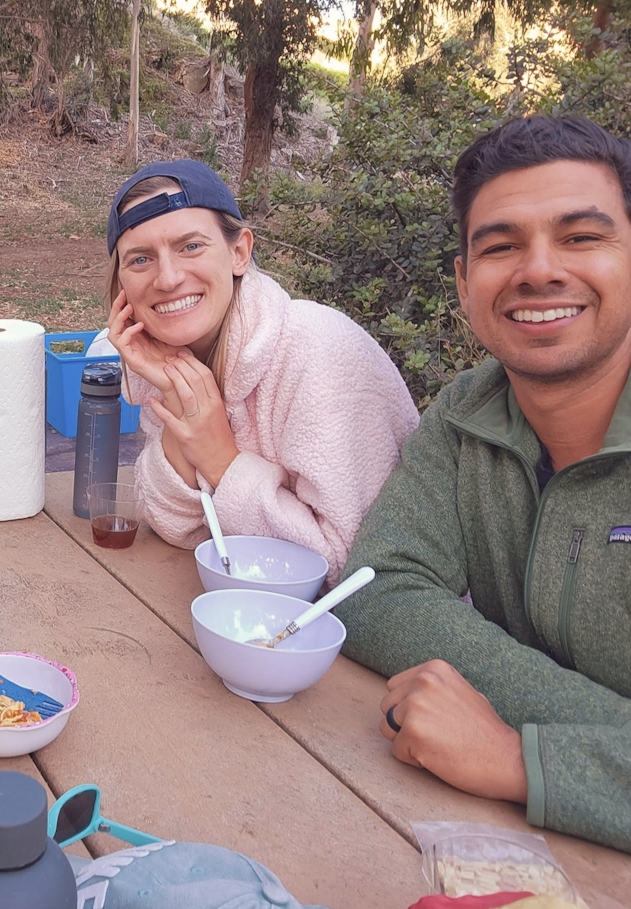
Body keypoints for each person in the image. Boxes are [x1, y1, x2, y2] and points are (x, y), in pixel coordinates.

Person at [337, 114, 631, 854]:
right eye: (500, 247)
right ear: (466, 284)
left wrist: (519, 758)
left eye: (581, 238)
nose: (538, 270)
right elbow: (378, 590)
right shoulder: (470, 412)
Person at [105, 159, 419, 582]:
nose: (168, 278)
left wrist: (221, 462)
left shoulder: (317, 352)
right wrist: (181, 399)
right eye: (140, 260)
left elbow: (350, 569)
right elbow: (175, 526)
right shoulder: (172, 356)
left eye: (191, 246)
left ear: (239, 252)